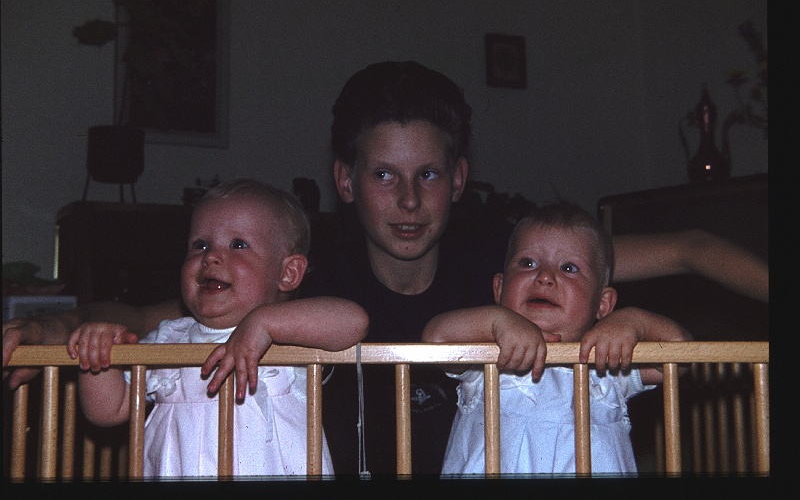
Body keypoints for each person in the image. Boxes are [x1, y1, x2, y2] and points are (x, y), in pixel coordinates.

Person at [4, 61, 768, 476]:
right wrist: (52, 325)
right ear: (344, 180)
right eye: (382, 176)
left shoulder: (508, 259)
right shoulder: (306, 269)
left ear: (459, 180)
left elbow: (691, 247)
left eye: (429, 175)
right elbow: (152, 321)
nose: (408, 199)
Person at [65, 179, 368, 477]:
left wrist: (262, 324)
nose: (210, 256)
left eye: (238, 244)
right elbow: (107, 411)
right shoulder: (169, 340)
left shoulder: (289, 334)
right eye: (200, 245)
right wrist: (98, 352)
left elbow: (354, 321)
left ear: (288, 273)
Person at [423, 201, 693, 475]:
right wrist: (497, 320)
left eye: (569, 268)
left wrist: (635, 321)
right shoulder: (489, 358)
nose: (544, 277)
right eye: (528, 263)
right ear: (499, 288)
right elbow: (435, 340)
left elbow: (679, 358)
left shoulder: (603, 364)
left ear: (603, 304)